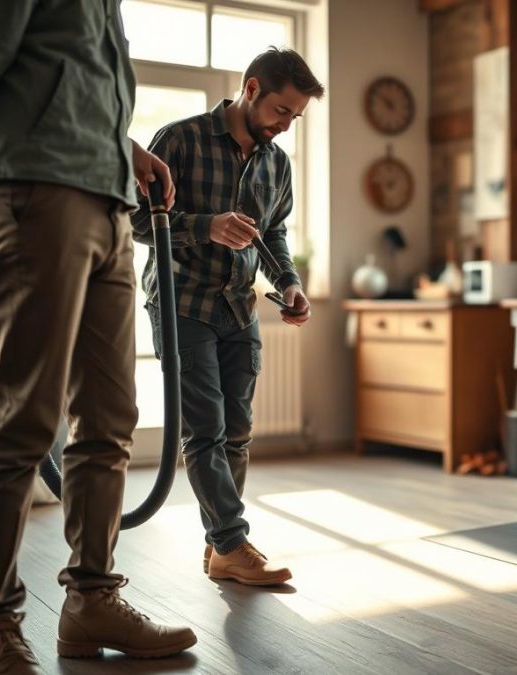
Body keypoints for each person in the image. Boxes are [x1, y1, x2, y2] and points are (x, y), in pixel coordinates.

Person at [0, 2, 198, 671]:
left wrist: (124, 148)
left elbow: (71, 77)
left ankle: (91, 599)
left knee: (109, 419)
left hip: (110, 202)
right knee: (24, 420)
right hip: (39, 191)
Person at [131, 48, 324, 586]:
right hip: (181, 301)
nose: (286, 126)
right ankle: (234, 542)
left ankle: (220, 549)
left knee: (237, 434)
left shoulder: (276, 163)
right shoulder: (180, 139)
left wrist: (289, 284)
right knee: (206, 431)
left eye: (295, 118)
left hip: (239, 306)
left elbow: (274, 233)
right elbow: (135, 221)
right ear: (253, 89)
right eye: (282, 111)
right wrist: (205, 227)